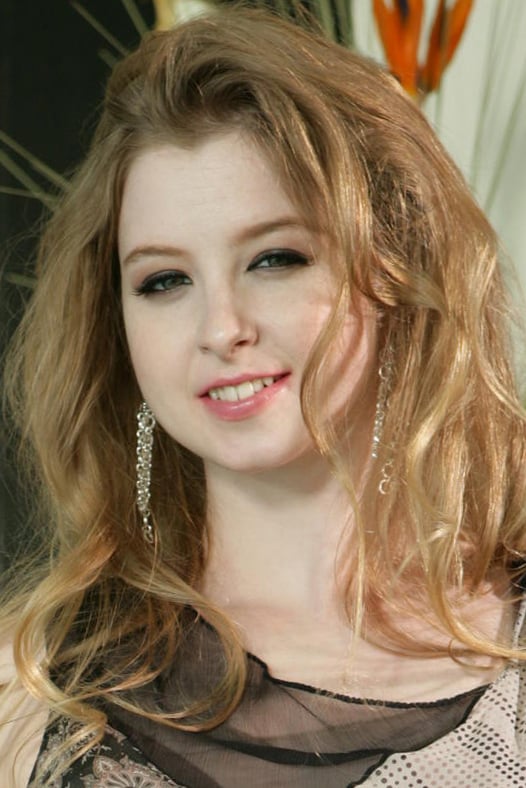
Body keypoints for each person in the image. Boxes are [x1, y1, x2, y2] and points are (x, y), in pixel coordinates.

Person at [1, 6, 526, 786]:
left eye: (274, 259)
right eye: (164, 281)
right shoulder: (30, 687)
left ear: (392, 272)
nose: (221, 328)